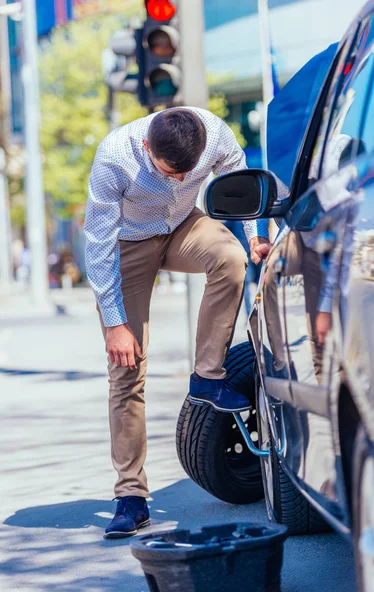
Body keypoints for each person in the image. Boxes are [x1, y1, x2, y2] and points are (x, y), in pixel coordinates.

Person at [84, 107, 271, 539]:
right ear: (147, 148)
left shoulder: (214, 133)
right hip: (127, 243)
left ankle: (208, 376)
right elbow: (97, 245)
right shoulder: (115, 157)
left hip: (184, 227)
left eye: (186, 174)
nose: (177, 181)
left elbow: (239, 176)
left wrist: (256, 233)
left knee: (230, 257)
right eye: (168, 173)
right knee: (127, 371)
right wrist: (115, 325)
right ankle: (130, 496)